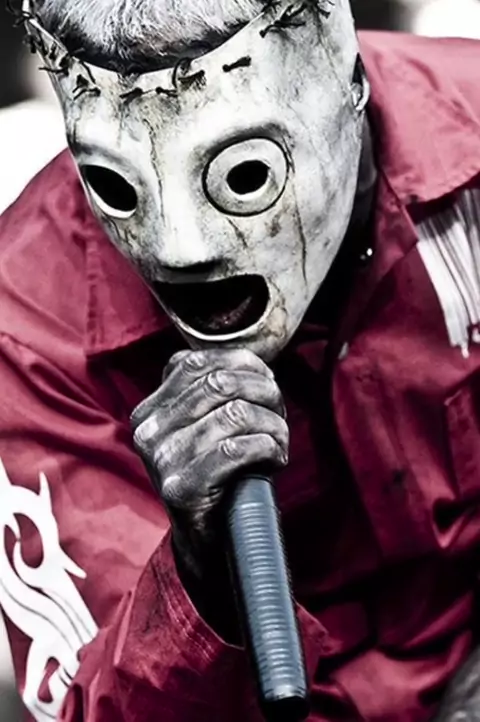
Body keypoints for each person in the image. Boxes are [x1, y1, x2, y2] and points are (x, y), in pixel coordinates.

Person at [1, 0, 480, 720]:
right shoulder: (29, 322)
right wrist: (197, 576)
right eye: (118, 186)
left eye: (245, 173)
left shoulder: (471, 145)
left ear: (346, 86)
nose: (182, 250)